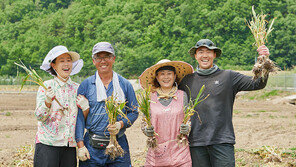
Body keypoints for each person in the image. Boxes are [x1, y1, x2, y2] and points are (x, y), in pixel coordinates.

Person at [179, 39, 270, 167]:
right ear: (195, 56)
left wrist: (264, 60)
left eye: (209, 52)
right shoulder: (187, 80)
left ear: (214, 55)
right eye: (201, 52)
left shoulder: (228, 77)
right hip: (196, 143)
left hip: (222, 141)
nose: (205, 55)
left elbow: (257, 83)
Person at [75, 42, 139, 167]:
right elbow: (79, 117)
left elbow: (134, 112)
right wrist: (81, 145)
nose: (103, 61)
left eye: (107, 57)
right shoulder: (86, 85)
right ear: (93, 61)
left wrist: (120, 124)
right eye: (99, 57)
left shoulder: (124, 84)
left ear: (113, 59)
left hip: (119, 144)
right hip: (92, 147)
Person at [34, 45, 84, 166]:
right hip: (48, 145)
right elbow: (39, 116)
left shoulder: (77, 88)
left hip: (69, 146)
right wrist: (47, 101)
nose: (66, 64)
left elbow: (82, 119)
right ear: (53, 65)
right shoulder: (46, 86)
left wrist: (85, 107)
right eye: (62, 61)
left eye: (69, 60)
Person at [139, 59, 194, 167]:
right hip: (156, 153)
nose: (166, 77)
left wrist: (187, 128)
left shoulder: (182, 95)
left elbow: (189, 119)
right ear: (157, 77)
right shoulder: (150, 97)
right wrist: (147, 130)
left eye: (169, 74)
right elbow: (144, 122)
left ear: (174, 76)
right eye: (162, 74)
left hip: (180, 152)